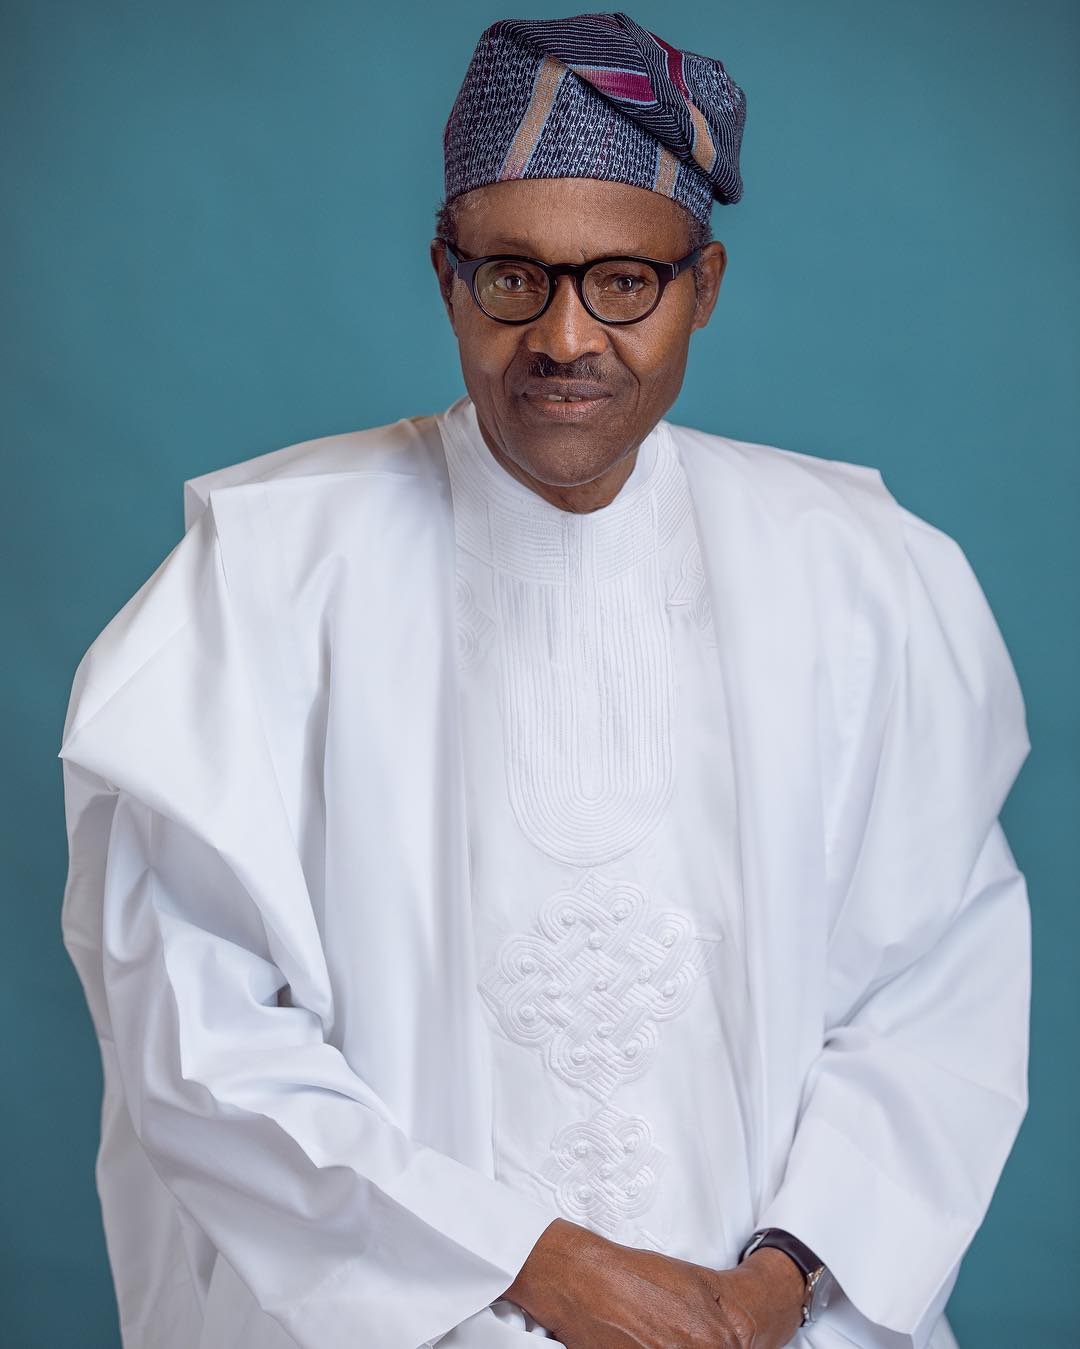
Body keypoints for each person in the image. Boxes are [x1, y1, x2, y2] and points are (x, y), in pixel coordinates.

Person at [59, 12, 1030, 1349]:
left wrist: (771, 1290)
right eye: (514, 277)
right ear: (446, 277)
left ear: (704, 285)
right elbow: (191, 1025)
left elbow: (934, 992)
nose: (566, 337)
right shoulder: (264, 577)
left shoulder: (863, 576)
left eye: (623, 281)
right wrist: (537, 1264)